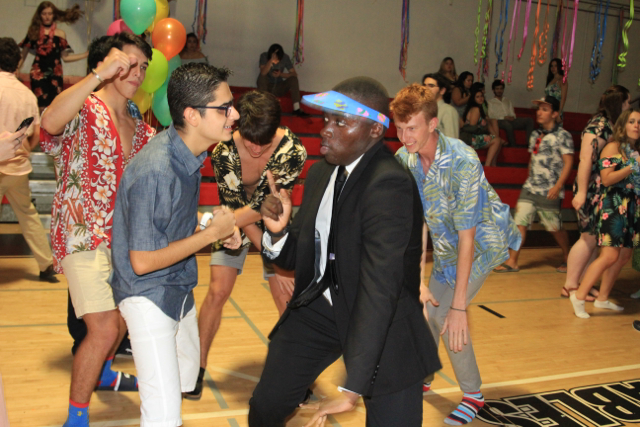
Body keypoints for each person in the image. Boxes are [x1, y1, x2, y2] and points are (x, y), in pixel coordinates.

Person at [249, 77, 441, 427]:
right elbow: (300, 257)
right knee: (266, 406)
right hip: (321, 308)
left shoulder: (389, 184)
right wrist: (277, 235)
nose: (326, 130)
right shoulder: (322, 172)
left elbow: (379, 290)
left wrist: (353, 387)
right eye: (326, 120)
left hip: (381, 322)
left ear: (373, 131)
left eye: (341, 122)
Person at [110, 62, 240, 426]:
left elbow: (168, 222)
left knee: (184, 378)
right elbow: (142, 262)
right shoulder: (157, 169)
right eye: (224, 108)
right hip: (147, 294)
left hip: (177, 287)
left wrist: (207, 223)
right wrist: (211, 235)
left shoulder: (188, 153)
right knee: (164, 415)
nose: (235, 114)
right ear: (191, 116)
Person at [39, 33, 155, 427]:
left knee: (121, 319)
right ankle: (76, 416)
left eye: (142, 67)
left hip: (121, 237)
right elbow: (49, 123)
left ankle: (104, 374)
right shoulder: (84, 106)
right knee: (104, 328)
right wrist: (96, 75)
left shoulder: (139, 122)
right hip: (80, 232)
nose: (136, 73)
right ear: (107, 64)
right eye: (128, 63)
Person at [391, 83, 521, 426]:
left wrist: (460, 306)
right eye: (400, 128)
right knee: (430, 309)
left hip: (482, 243)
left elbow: (469, 236)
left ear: (433, 124)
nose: (405, 136)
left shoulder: (462, 161)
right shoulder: (405, 159)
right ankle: (424, 373)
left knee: (449, 317)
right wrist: (418, 279)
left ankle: (473, 395)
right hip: (447, 248)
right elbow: (415, 223)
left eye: (412, 128)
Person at [184, 90, 307, 400]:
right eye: (248, 140)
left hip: (275, 219)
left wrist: (275, 260)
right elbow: (236, 213)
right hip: (234, 217)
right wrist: (269, 253)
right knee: (217, 290)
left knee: (286, 296)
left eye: (262, 143)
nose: (254, 148)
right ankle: (195, 369)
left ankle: (296, 376)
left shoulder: (293, 149)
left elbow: (274, 207)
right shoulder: (223, 149)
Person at [569, 109, 640, 318]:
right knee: (609, 255)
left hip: (631, 208)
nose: (636, 125)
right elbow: (607, 179)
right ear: (623, 125)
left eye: (639, 122)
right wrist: (630, 167)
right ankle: (579, 295)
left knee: (624, 255)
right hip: (613, 205)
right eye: (632, 121)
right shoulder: (612, 147)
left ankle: (603, 299)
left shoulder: (634, 150)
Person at [563, 85, 630, 299]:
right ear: (618, 103)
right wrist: (582, 192)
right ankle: (570, 284)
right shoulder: (599, 125)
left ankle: (581, 281)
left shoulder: (609, 124)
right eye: (627, 102)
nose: (628, 107)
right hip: (590, 188)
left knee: (593, 237)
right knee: (587, 238)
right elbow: (585, 159)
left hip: (599, 190)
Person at [494, 96, 573, 273]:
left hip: (549, 190)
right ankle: (512, 261)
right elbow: (533, 158)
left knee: (554, 227)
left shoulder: (563, 136)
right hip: (530, 188)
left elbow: (568, 162)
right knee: (519, 222)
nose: (540, 112)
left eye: (545, 109)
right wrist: (529, 178)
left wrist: (558, 186)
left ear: (554, 114)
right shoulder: (536, 134)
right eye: (539, 109)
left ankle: (569, 255)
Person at [0, 37, 57, 282]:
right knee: (28, 215)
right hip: (19, 166)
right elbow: (34, 134)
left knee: (28, 215)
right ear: (19, 62)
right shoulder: (26, 94)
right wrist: (21, 150)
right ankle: (46, 266)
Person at [18, 2, 88, 111]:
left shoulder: (60, 34)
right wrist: (15, 69)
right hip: (38, 73)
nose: (47, 17)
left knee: (54, 107)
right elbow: (23, 55)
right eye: (44, 13)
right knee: (41, 107)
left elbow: (65, 57)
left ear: (54, 15)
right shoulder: (34, 32)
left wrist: (85, 55)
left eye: (50, 14)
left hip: (56, 74)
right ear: (39, 15)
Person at [257, 43, 310, 117]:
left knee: (293, 79)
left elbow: (294, 74)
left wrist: (281, 74)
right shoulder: (264, 56)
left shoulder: (285, 57)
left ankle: (296, 108)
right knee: (262, 77)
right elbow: (263, 73)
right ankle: (263, 107)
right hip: (266, 86)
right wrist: (270, 61)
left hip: (279, 86)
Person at [460, 86, 506, 167]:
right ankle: (487, 165)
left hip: (475, 136)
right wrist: (485, 131)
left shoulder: (480, 108)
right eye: (477, 97)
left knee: (497, 140)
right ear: (473, 99)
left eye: (481, 96)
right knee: (497, 140)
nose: (480, 98)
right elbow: (472, 128)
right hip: (470, 138)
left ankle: (493, 165)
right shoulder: (475, 109)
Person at [488, 79, 534, 146]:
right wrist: (504, 117)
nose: (499, 91)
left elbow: (512, 112)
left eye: (501, 89)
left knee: (529, 120)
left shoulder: (507, 100)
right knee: (507, 124)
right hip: (499, 121)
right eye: (497, 89)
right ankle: (513, 145)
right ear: (493, 90)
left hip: (511, 120)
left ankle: (529, 144)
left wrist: (512, 117)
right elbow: (491, 115)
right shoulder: (490, 102)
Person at [423, 73, 459, 139]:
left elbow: (452, 141)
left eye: (431, 86)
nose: (426, 89)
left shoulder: (448, 110)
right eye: (424, 85)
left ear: (442, 90)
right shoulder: (422, 110)